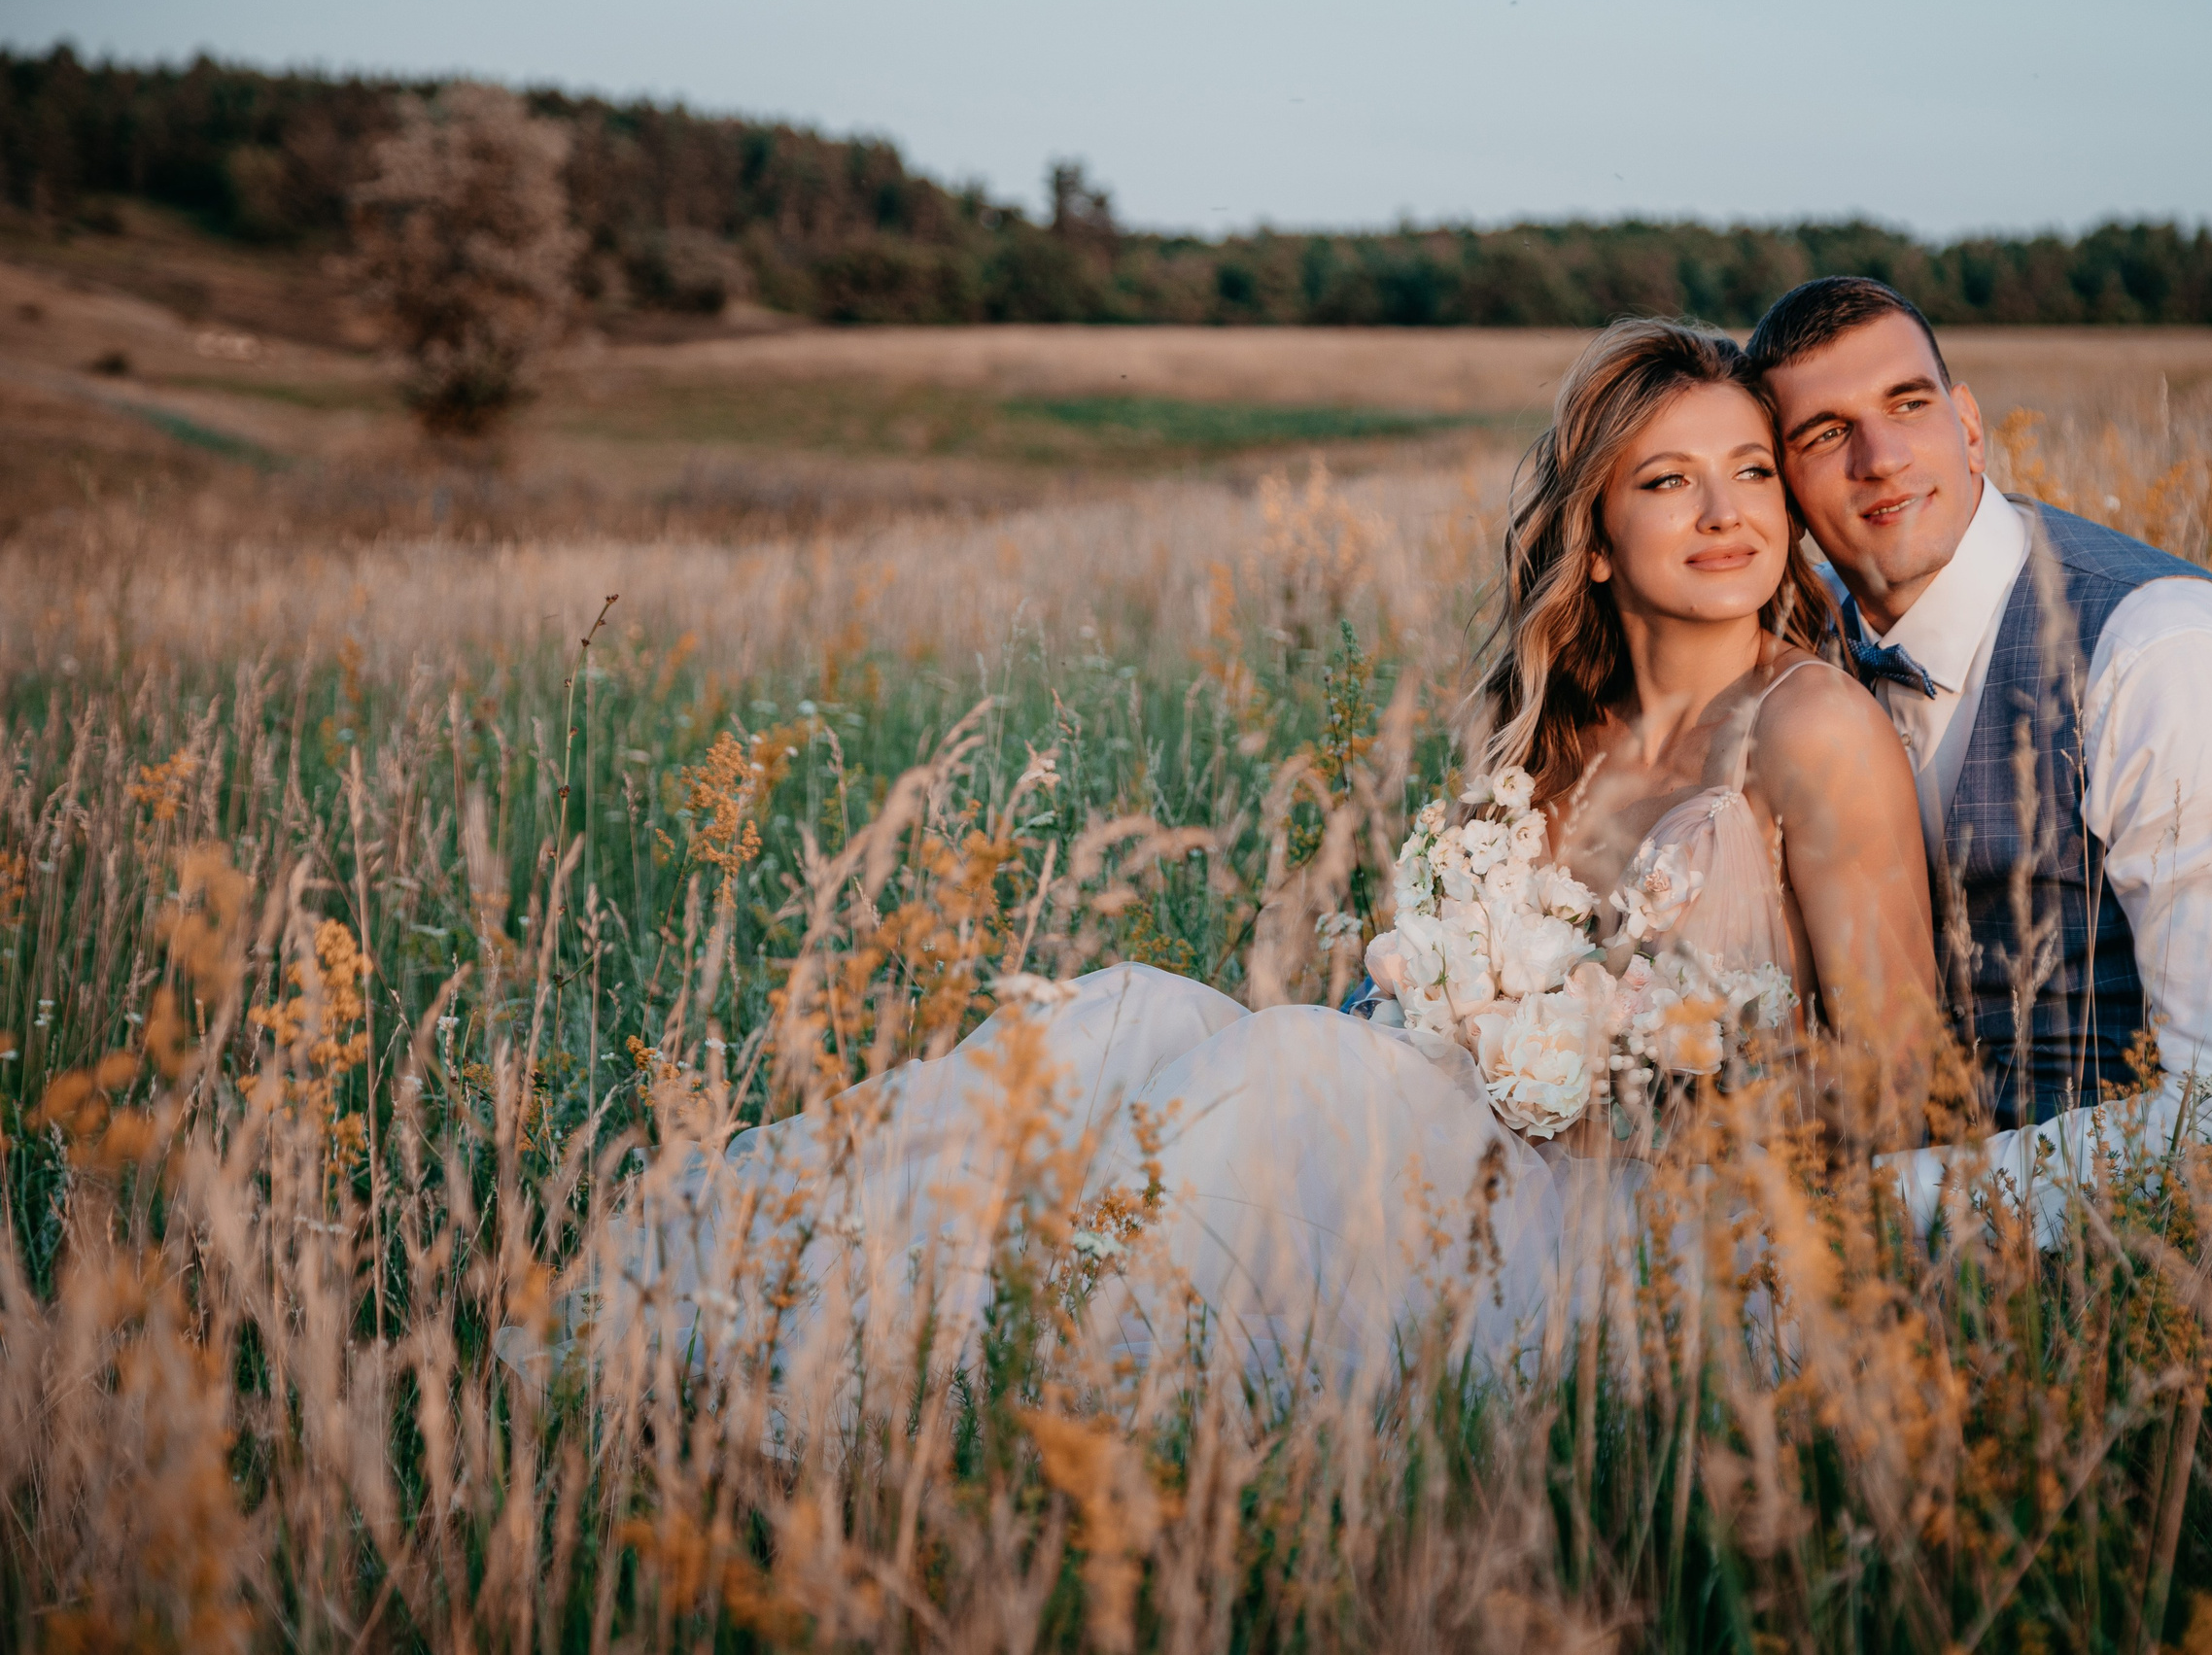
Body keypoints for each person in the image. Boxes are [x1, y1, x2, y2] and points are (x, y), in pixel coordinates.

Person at [503, 321, 1941, 1388]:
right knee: (1131, 1017)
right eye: (1670, 481)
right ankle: (788, 1315)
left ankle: (997, 1380)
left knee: (1297, 1066)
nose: (1725, 511)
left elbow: (1901, 1080)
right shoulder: (1563, 741)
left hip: (1656, 1221)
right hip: (1483, 1151)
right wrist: (1477, 1018)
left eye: (1752, 471)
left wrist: (1646, 1053)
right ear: (1602, 540)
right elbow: (1451, 1007)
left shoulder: (1809, 728)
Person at [1745, 276, 2212, 1232]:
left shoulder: (2163, 656)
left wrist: (1868, 1214)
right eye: (1823, 434)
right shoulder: (1789, 644)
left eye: (1909, 405)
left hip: (2150, 1287)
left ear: (1968, 426)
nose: (1881, 458)